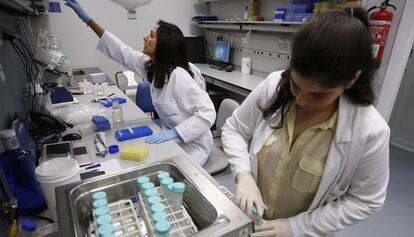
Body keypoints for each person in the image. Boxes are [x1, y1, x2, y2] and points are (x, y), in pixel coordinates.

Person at [221, 8, 390, 237]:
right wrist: (244, 176)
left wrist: (295, 227)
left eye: (319, 95)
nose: (301, 99)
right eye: (296, 84)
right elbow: (234, 129)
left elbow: (366, 200)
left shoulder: (370, 131)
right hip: (253, 219)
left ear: (352, 79)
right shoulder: (273, 86)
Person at [64, 0, 216, 166]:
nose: (145, 37)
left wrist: (176, 133)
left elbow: (208, 112)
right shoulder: (153, 67)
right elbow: (120, 50)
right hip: (171, 138)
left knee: (167, 173)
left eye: (151, 35)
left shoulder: (179, 76)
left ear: (163, 46)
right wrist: (88, 21)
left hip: (194, 145)